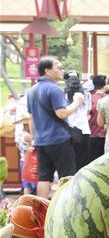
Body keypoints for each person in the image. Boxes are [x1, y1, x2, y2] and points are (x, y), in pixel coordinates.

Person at [26, 57, 83, 198]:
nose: (62, 70)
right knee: (67, 176)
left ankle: (40, 208)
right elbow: (61, 113)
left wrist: (34, 138)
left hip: (40, 142)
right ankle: (66, 207)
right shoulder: (54, 89)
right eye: (59, 68)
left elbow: (31, 118)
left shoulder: (31, 91)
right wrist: (76, 102)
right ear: (47, 71)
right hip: (59, 139)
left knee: (44, 177)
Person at [64, 72, 92, 170]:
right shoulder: (86, 94)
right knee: (83, 160)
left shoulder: (64, 94)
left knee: (70, 160)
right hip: (84, 129)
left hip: (69, 130)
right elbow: (88, 110)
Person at [87, 75, 107, 163]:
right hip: (107, 135)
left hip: (92, 135)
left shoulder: (90, 99)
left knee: (94, 163)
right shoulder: (108, 99)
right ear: (105, 85)